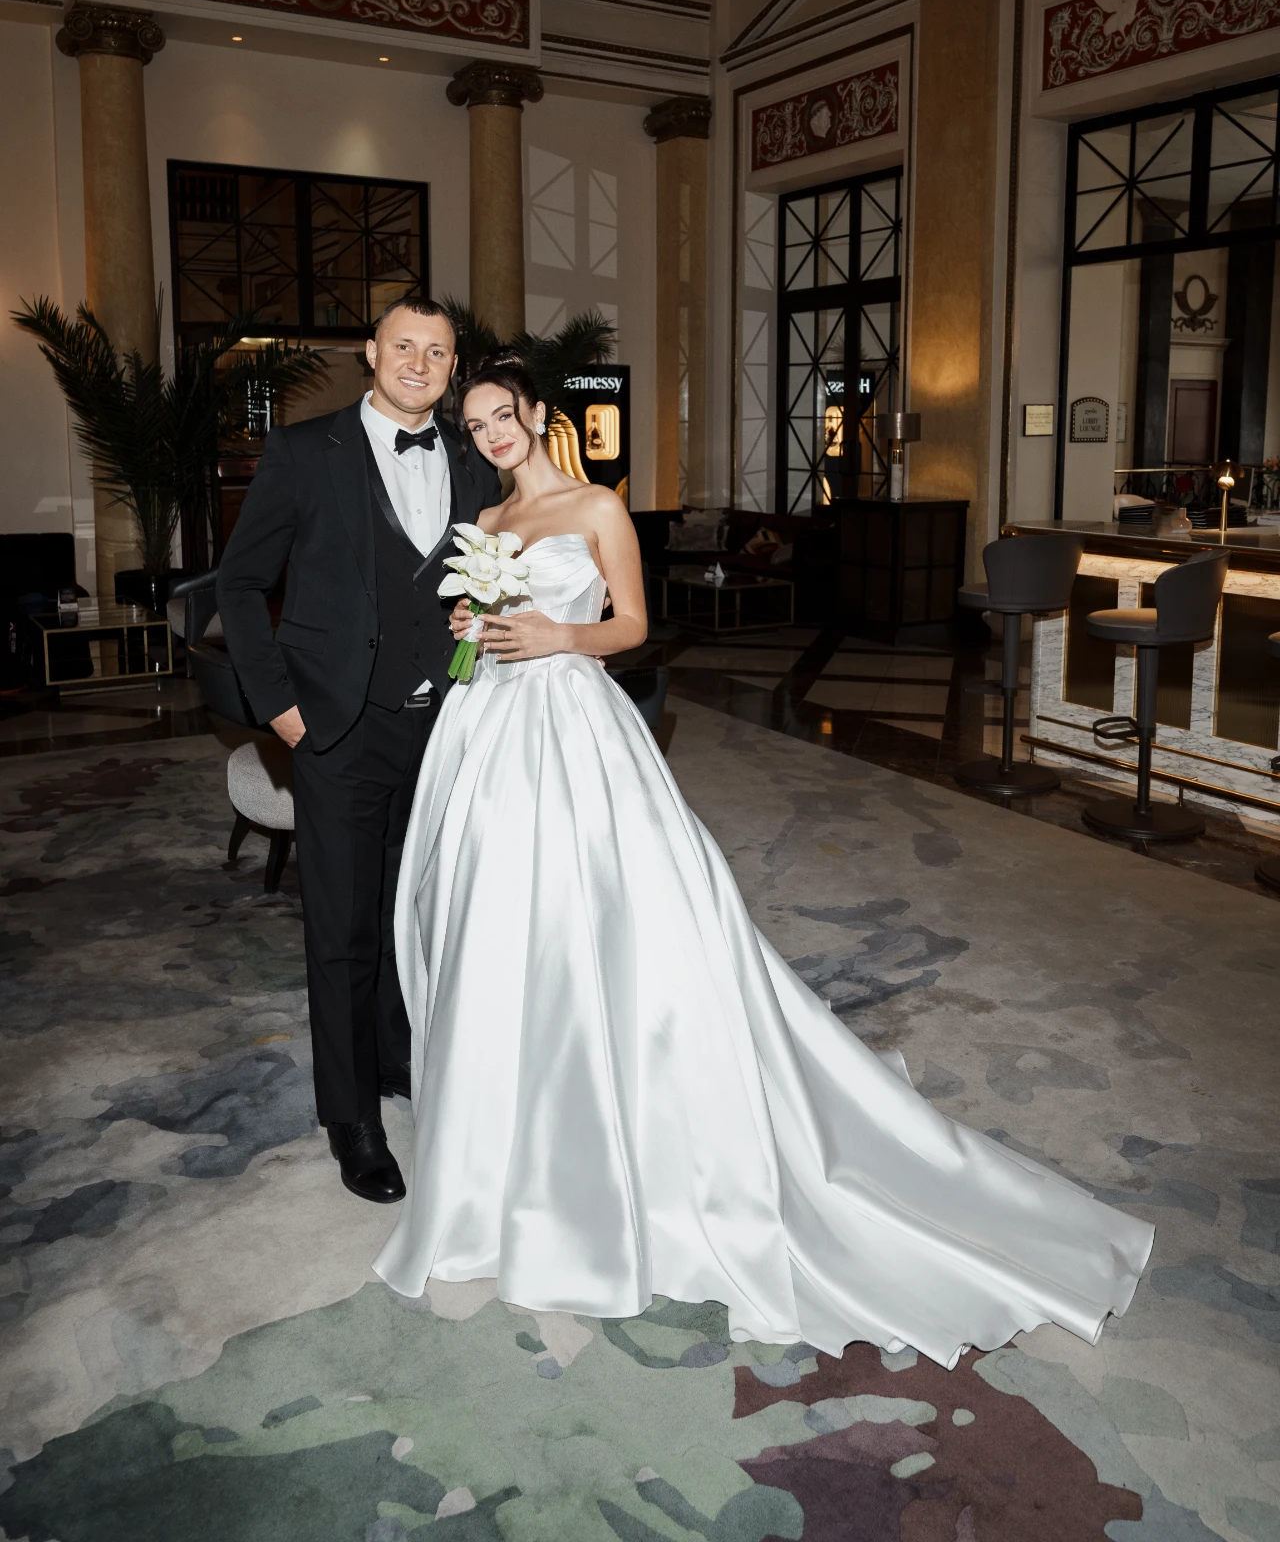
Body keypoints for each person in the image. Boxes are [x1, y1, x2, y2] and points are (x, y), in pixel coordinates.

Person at [372, 352, 1154, 1368]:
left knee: (600, 918)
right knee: (492, 925)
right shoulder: (483, 527)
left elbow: (634, 627)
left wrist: (558, 635)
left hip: (571, 726)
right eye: (474, 426)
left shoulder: (598, 508)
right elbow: (468, 634)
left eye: (501, 416)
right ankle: (505, 1136)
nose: (490, 435)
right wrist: (471, 631)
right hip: (487, 736)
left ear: (534, 414)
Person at [216, 298, 501, 1204]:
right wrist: (282, 709)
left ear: (454, 370)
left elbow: (491, 580)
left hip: (444, 724)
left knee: (416, 906)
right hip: (334, 727)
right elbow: (241, 580)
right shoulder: (305, 452)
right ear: (371, 352)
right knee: (340, 928)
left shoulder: (472, 460)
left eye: (438, 352)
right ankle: (352, 1117)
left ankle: (398, 1059)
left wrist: (480, 628)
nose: (419, 362)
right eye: (404, 345)